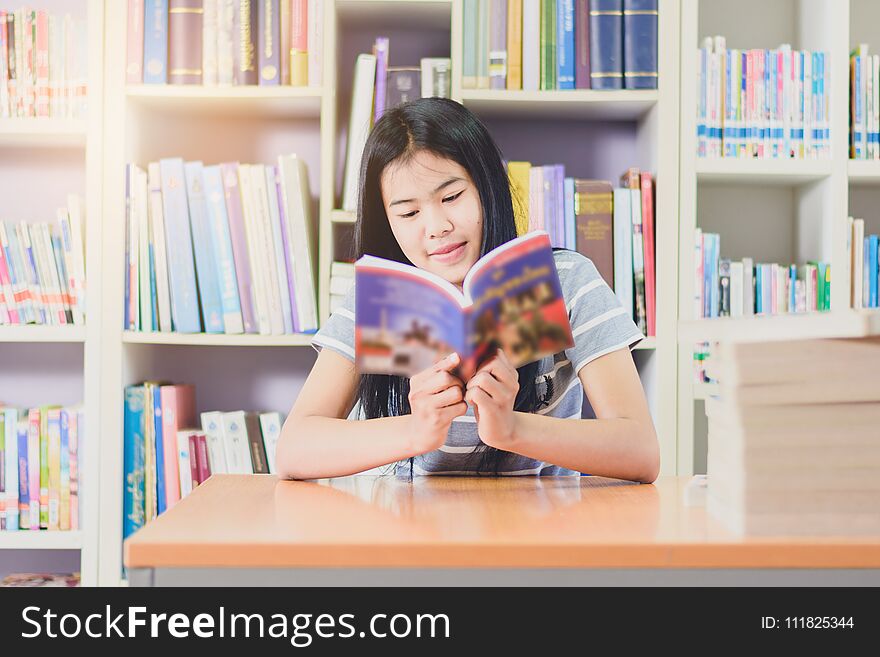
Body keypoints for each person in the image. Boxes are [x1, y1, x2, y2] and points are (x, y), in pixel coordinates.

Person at [276, 97, 659, 482]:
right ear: (387, 222)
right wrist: (416, 430)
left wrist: (511, 429)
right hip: (414, 531)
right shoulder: (378, 300)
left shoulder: (567, 281)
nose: (437, 226)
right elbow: (295, 448)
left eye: (452, 197)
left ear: (487, 187)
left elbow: (640, 451)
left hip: (542, 529)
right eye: (409, 213)